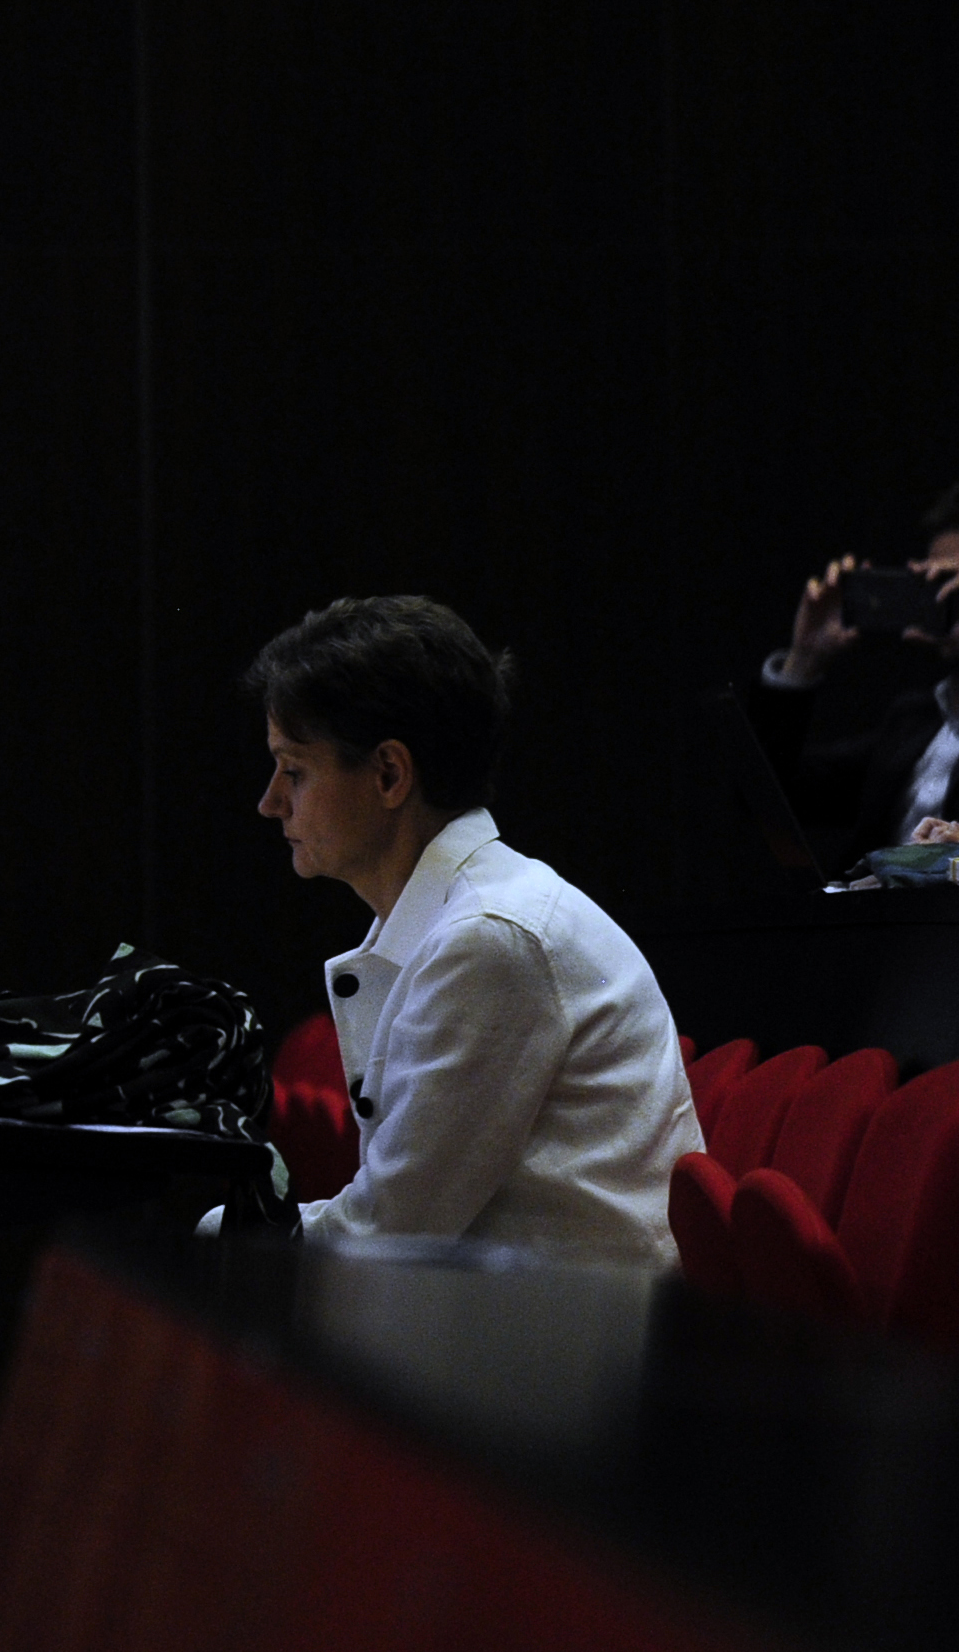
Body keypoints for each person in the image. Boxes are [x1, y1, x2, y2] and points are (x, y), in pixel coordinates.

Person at [250, 595, 692, 1263]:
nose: (271, 802)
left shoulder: (491, 938)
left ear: (389, 774)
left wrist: (202, 1242)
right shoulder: (471, 919)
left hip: (571, 1327)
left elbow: (387, 1237)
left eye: (294, 771)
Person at [745, 487, 959, 861]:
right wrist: (803, 660)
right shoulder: (914, 720)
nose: (945, 601)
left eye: (951, 581)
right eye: (935, 584)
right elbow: (771, 797)